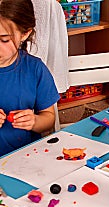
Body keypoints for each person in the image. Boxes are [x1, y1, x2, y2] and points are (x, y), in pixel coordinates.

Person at [0, 0, 60, 157]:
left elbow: (49, 118)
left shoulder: (35, 69)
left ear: (25, 34)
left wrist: (34, 121)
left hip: (25, 159)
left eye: (4, 39)